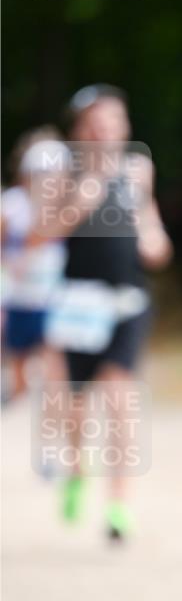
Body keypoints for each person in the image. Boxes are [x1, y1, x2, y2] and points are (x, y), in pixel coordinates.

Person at [39, 84, 172, 539]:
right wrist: (82, 200)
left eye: (114, 121)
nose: (105, 131)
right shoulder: (63, 171)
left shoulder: (138, 169)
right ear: (80, 129)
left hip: (127, 301)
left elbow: (152, 233)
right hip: (77, 305)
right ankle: (76, 469)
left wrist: (154, 241)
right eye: (96, 123)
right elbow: (42, 233)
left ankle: (118, 506)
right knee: (74, 410)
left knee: (119, 401)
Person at [1, 128, 69, 400]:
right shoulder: (12, 205)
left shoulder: (67, 206)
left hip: (54, 297)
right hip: (19, 296)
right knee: (18, 363)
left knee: (53, 360)